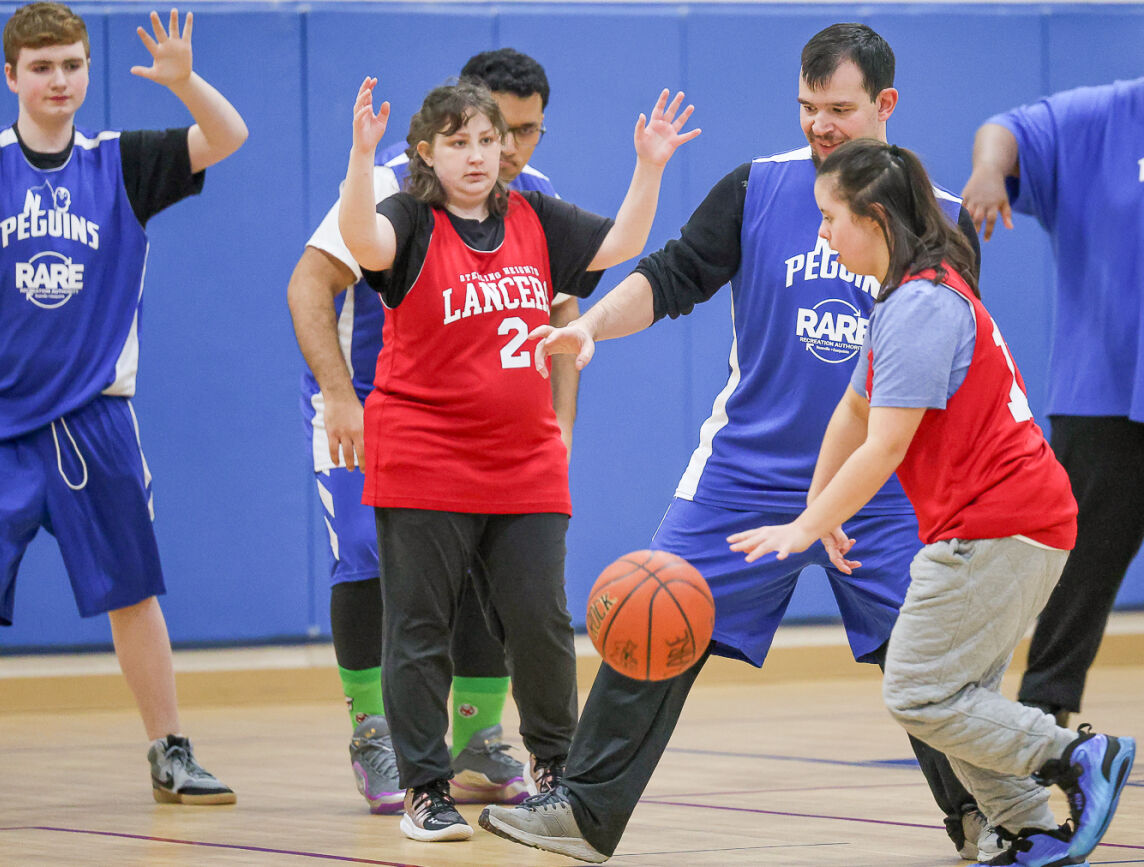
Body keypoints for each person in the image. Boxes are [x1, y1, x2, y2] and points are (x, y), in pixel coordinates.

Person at [479, 23, 996, 864]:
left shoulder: (940, 219)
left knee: (931, 662)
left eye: (840, 109)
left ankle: (983, 814)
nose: (820, 125)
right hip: (747, 474)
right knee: (652, 608)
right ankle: (582, 812)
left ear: (885, 105)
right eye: (807, 107)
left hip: (888, 481)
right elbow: (675, 273)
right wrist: (595, 327)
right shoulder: (757, 187)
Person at [731, 138, 1134, 867]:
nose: (821, 233)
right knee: (956, 695)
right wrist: (823, 505)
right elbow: (852, 413)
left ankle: (1079, 754)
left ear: (875, 218)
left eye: (830, 218)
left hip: (1002, 523)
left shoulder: (920, 305)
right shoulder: (905, 294)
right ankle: (1023, 826)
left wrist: (804, 526)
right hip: (1010, 521)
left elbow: (883, 447)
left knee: (919, 691)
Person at [339, 76, 697, 842]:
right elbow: (362, 244)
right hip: (425, 452)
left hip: (523, 456)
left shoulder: (534, 216)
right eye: (457, 141)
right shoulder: (407, 216)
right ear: (427, 154)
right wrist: (359, 155)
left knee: (539, 618)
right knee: (421, 624)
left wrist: (651, 165)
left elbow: (622, 245)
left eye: (486, 139)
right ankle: (425, 789)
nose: (475, 155)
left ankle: (557, 771)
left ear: (506, 147)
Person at [0, 3, 247, 814]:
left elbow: (228, 137)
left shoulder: (124, 162)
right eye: (41, 67)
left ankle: (170, 748)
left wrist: (184, 83)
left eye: (72, 65)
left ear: (87, 70)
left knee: (131, 590)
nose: (59, 80)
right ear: (11, 75)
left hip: (94, 415)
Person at [287, 48, 578, 814]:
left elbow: (561, 312)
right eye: (499, 130)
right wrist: (340, 395)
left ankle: (478, 737)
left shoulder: (530, 198)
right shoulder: (390, 186)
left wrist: (561, 421)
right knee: (367, 563)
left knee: (498, 582)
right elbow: (309, 283)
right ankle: (374, 730)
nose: (511, 150)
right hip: (378, 405)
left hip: (490, 425)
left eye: (529, 132)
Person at [960, 77, 1144, 730]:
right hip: (1106, 400)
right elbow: (1006, 130)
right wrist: (987, 171)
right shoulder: (1105, 117)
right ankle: (1044, 731)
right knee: (1074, 580)